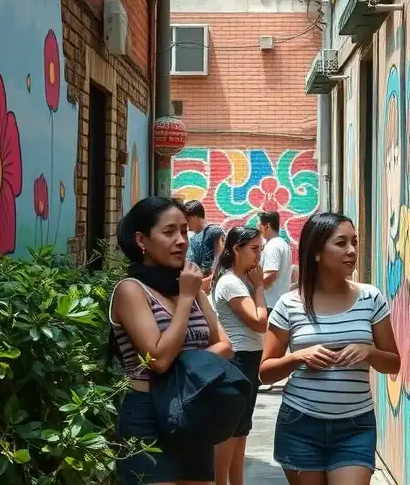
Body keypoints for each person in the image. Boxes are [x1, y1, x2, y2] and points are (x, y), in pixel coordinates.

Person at [260, 212, 401, 485]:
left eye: (354, 242)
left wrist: (369, 352)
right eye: (341, 243)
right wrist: (299, 357)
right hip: (300, 424)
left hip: (355, 426)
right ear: (316, 253)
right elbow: (265, 373)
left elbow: (393, 363)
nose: (351, 250)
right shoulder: (289, 305)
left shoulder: (371, 298)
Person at [109, 196, 233, 485]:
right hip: (147, 413)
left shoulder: (189, 287)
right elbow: (159, 359)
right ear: (141, 240)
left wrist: (189, 294)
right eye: (168, 232)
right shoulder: (131, 291)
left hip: (192, 409)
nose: (181, 241)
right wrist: (187, 299)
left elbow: (226, 346)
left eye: (184, 231)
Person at [210, 227, 268, 485]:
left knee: (242, 427)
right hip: (237, 359)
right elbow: (259, 322)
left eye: (261, 249)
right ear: (237, 249)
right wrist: (260, 288)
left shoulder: (238, 279)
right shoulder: (231, 282)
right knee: (231, 429)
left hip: (248, 358)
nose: (259, 255)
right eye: (254, 249)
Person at [257, 211, 294, 391]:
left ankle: (266, 381)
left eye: (259, 225)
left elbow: (270, 274)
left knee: (267, 343)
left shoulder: (272, 246)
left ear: (266, 226)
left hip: (271, 301)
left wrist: (256, 290)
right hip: (278, 298)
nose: (258, 229)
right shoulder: (283, 244)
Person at [183, 200, 225, 292]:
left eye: (187, 220)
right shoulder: (192, 237)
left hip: (208, 288)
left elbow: (221, 261)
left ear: (194, 217)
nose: (186, 223)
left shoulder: (213, 232)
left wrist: (208, 282)